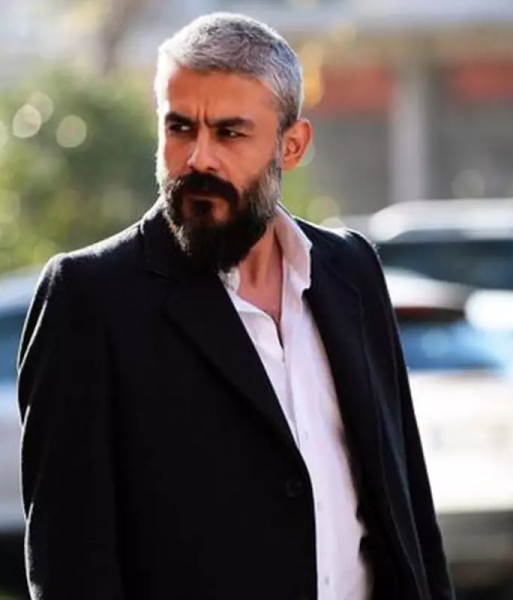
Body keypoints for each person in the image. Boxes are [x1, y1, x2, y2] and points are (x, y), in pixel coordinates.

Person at [17, 13, 452, 600]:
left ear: (291, 145)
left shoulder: (350, 270)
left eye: (229, 133)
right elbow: (70, 561)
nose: (198, 158)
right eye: (180, 128)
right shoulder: (89, 297)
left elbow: (408, 505)